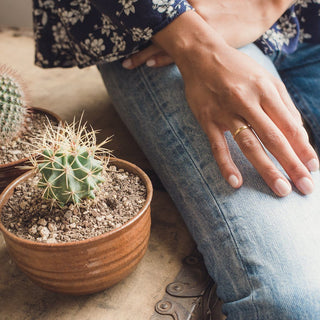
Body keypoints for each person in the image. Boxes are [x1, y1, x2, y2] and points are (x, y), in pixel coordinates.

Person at [32, 0, 320, 318]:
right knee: (297, 302)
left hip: (307, 17)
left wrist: (269, 4)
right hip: (168, 25)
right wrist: (192, 41)